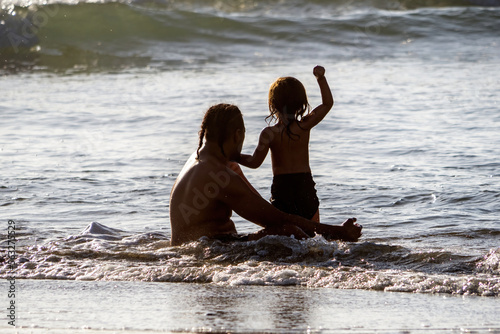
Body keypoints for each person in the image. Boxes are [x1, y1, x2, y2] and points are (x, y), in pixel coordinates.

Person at [169, 103, 362, 246]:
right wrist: (338, 232)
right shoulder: (221, 178)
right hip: (209, 250)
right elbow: (277, 220)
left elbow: (260, 207)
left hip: (192, 245)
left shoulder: (196, 161)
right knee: (289, 232)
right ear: (237, 135)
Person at [237, 66, 333, 222]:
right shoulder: (304, 126)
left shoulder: (269, 134)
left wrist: (233, 156)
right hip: (304, 186)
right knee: (314, 235)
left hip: (282, 189)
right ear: (301, 102)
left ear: (273, 104)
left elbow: (254, 162)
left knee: (285, 235)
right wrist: (321, 78)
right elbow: (327, 104)